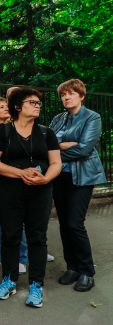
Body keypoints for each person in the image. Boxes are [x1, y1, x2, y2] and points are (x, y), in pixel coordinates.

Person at [0, 87, 62, 308]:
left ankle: (36, 285)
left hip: (40, 192)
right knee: (10, 235)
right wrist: (20, 172)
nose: (37, 105)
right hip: (8, 191)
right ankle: (9, 281)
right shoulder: (4, 132)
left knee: (37, 238)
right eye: (32, 102)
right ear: (18, 106)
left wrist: (45, 179)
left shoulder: (46, 133)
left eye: (39, 102)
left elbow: (57, 162)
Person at [50, 79, 106, 292]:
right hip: (59, 176)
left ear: (81, 96)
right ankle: (72, 267)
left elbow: (83, 150)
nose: (67, 97)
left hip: (82, 177)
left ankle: (86, 271)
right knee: (64, 224)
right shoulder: (58, 119)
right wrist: (62, 146)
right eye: (64, 94)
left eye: (72, 93)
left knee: (75, 223)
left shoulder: (92, 117)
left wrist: (57, 150)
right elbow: (47, 145)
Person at [0, 97, 29, 274]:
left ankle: (21, 258)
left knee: (18, 221)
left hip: (14, 180)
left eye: (6, 106)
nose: (6, 109)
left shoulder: (17, 128)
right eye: (1, 107)